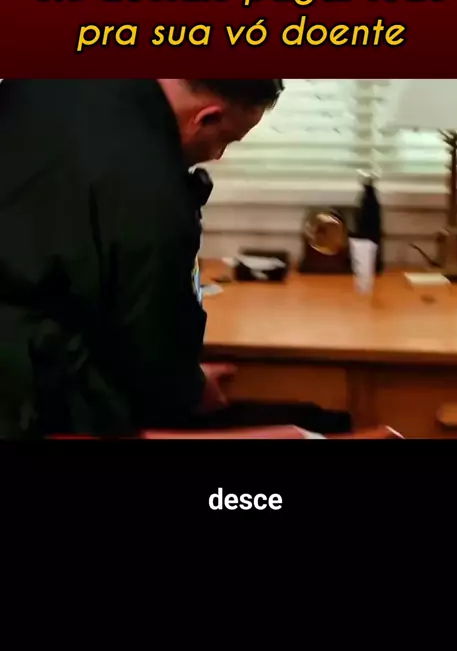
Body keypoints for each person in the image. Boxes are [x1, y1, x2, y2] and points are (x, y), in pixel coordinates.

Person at [0, 79, 283, 436]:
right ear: (206, 118)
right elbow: (150, 342)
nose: (217, 155)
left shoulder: (41, 83)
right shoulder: (152, 186)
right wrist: (191, 389)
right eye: (225, 140)